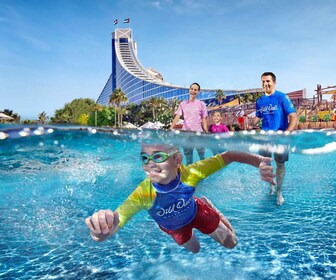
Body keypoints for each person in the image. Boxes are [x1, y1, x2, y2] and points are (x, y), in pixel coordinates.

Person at [85, 144, 275, 254]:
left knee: (231, 243)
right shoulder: (143, 193)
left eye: (158, 156)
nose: (150, 164)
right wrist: (100, 230)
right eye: (144, 158)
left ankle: (211, 208)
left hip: (197, 212)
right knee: (195, 250)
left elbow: (230, 155)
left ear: (177, 161)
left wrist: (258, 161)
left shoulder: (192, 173)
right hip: (174, 228)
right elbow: (115, 222)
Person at [251, 72, 297, 206]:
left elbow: (293, 116)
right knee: (265, 164)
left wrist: (287, 133)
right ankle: (271, 185)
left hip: (280, 138)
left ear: (274, 82)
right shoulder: (259, 101)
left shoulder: (282, 97)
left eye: (268, 81)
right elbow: (258, 117)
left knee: (280, 164)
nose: (265, 84)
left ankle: (279, 191)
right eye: (263, 82)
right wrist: (250, 124)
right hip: (265, 138)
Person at [170, 83, 208, 164]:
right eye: (192, 89)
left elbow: (204, 120)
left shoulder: (202, 104)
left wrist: (207, 132)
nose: (193, 91)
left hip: (199, 134)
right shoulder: (182, 104)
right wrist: (170, 128)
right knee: (188, 157)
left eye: (195, 90)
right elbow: (177, 117)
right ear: (189, 90)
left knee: (202, 156)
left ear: (198, 92)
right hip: (186, 135)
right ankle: (189, 173)